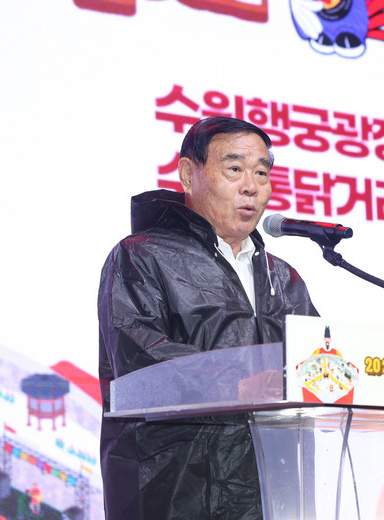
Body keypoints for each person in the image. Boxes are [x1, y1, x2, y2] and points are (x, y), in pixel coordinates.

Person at [98, 117, 318, 519]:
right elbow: (140, 361)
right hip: (177, 490)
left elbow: (316, 363)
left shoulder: (283, 278)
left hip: (276, 490)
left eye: (262, 173)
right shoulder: (142, 256)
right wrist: (242, 381)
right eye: (234, 169)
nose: (251, 186)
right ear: (188, 174)